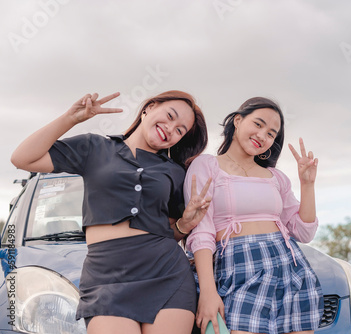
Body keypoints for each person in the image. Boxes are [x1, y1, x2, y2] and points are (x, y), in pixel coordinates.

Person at [11, 91, 212, 334]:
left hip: (167, 275)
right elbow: (22, 158)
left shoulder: (175, 173)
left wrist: (183, 226)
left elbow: (168, 232)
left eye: (180, 130)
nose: (170, 129)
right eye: (170, 116)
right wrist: (70, 118)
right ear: (149, 107)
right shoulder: (93, 147)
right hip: (106, 278)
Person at [184, 97, 324, 334]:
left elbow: (303, 232)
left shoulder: (276, 177)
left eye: (271, 133)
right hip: (238, 267)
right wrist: (208, 291)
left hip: (288, 266)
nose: (263, 136)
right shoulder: (206, 165)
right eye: (258, 124)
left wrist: (307, 184)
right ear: (237, 121)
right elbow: (202, 232)